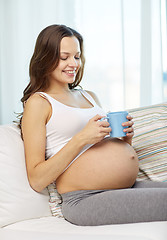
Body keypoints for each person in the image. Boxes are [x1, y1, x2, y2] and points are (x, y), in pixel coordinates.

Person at [20, 24, 167, 226]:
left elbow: (101, 152)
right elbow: (36, 179)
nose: (73, 63)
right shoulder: (39, 103)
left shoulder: (89, 96)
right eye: (64, 57)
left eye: (77, 56)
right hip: (84, 198)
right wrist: (81, 138)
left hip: (120, 188)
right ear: (45, 58)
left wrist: (125, 141)